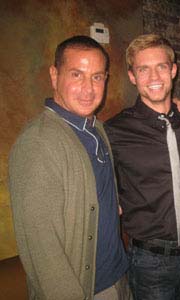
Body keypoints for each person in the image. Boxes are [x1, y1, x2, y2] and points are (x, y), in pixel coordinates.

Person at [8, 35, 131, 300]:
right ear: (55, 75)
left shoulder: (95, 129)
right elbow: (42, 247)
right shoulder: (39, 143)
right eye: (77, 75)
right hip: (87, 290)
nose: (89, 89)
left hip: (117, 276)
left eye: (97, 77)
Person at [105, 34, 180, 300]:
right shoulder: (115, 131)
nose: (154, 76)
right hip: (150, 261)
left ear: (173, 70)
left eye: (161, 66)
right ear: (132, 76)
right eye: (143, 69)